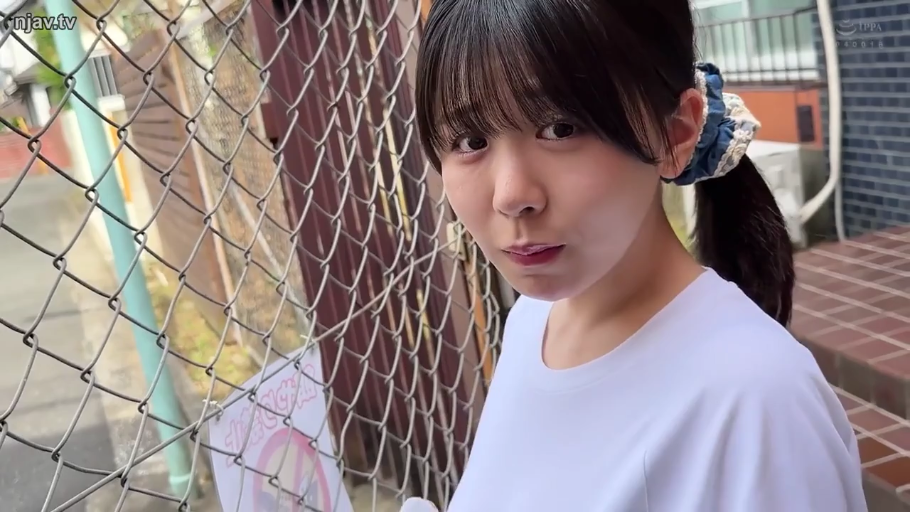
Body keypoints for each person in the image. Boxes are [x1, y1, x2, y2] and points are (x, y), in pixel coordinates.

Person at [400, 0, 869, 511]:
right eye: (470, 140)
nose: (512, 196)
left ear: (675, 133)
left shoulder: (758, 401)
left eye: (560, 128)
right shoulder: (531, 323)